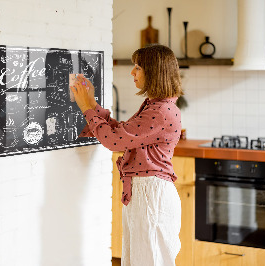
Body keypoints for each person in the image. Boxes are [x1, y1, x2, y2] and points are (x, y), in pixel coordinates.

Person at [70, 44, 183, 266]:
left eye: (138, 67)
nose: (132, 72)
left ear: (154, 71)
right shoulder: (156, 106)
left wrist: (86, 107)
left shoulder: (160, 111)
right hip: (145, 193)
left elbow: (114, 141)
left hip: (151, 195)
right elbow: (122, 133)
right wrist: (92, 104)